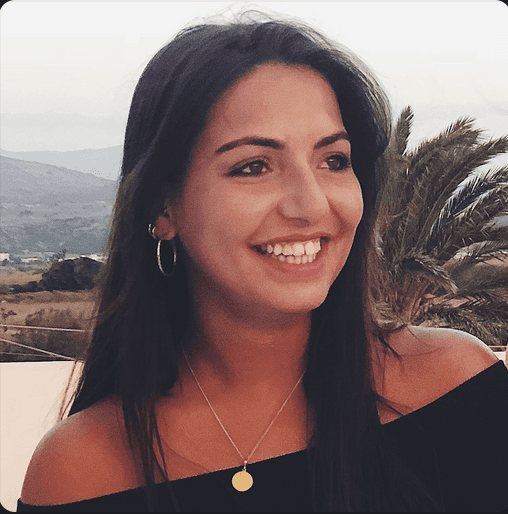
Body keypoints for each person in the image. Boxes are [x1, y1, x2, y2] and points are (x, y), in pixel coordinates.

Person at [18, 13, 508, 512]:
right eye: (253, 166)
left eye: (334, 160)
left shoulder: (456, 389)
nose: (311, 205)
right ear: (163, 209)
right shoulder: (81, 471)